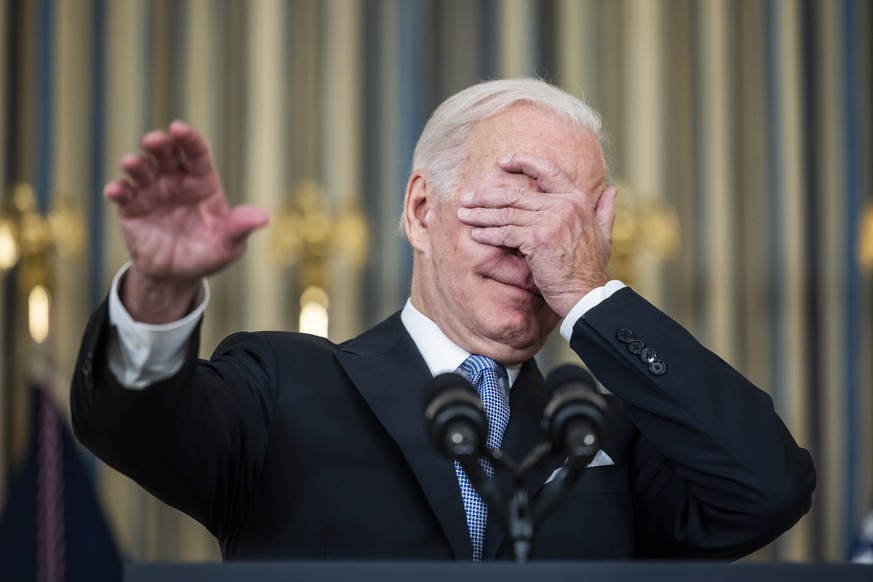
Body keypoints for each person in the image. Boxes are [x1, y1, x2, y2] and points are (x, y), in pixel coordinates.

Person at [71, 78, 815, 561]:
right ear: (422, 210)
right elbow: (134, 425)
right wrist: (161, 293)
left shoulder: (607, 429)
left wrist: (591, 293)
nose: (534, 245)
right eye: (514, 204)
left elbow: (766, 489)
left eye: (567, 225)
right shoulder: (283, 386)